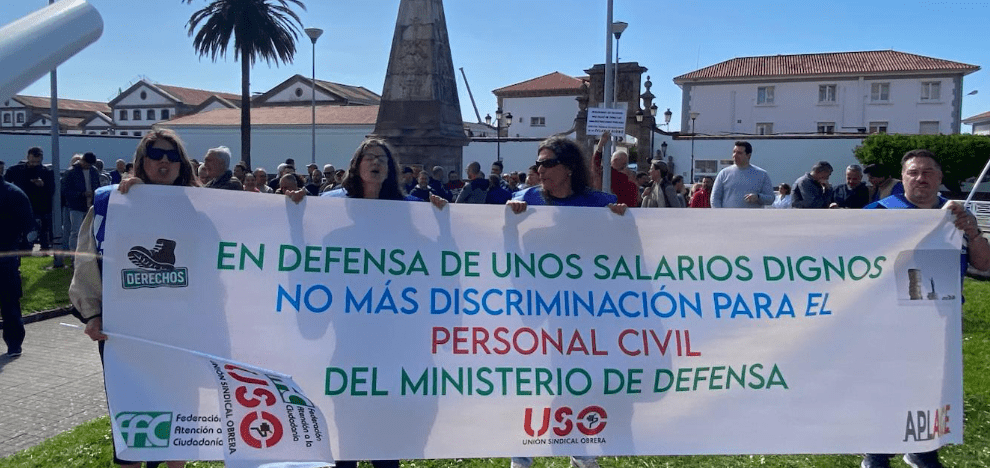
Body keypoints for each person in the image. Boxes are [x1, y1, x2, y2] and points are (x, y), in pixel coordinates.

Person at [69, 128, 196, 468]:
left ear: (182, 164)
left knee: (178, 416)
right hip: (125, 332)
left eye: (172, 155)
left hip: (181, 332)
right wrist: (92, 314)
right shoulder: (110, 202)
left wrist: (296, 208)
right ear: (142, 160)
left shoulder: (199, 206)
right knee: (132, 420)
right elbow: (87, 261)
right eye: (156, 154)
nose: (164, 161)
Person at [861, 149, 990, 468]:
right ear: (902, 178)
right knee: (884, 383)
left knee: (931, 386)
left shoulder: (956, 215)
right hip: (887, 317)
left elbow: (984, 263)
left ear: (940, 177)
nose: (921, 178)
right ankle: (877, 450)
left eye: (928, 172)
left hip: (939, 318)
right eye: (913, 172)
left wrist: (973, 232)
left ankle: (922, 448)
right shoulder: (878, 212)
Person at [507, 135, 623, 468]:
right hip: (535, 310)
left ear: (569, 168)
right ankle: (521, 454)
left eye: (547, 163)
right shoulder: (525, 199)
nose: (539, 170)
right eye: (538, 164)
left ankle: (580, 450)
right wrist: (509, 219)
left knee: (579, 380)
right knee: (533, 381)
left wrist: (621, 220)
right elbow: (500, 239)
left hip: (583, 310)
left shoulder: (600, 203)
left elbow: (621, 250)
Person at [1, 177, 34, 357]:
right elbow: (28, 224)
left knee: (10, 300)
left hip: (7, 254)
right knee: (10, 301)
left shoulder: (13, 193)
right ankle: (14, 344)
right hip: (7, 254)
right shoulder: (14, 193)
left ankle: (14, 343)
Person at [6, 146, 55, 252]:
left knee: (42, 230)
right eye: (33, 161)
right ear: (28, 157)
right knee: (22, 230)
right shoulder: (16, 170)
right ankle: (25, 248)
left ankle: (43, 249)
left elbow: (52, 190)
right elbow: (6, 185)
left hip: (40, 206)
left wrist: (43, 185)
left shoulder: (47, 172)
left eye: (37, 162)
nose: (34, 164)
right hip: (21, 205)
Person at [710, 141, 774, 208]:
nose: (735, 155)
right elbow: (715, 198)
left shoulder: (762, 174)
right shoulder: (723, 174)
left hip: (752, 214)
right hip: (728, 214)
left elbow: (771, 198)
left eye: (739, 153)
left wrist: (758, 197)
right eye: (734, 152)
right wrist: (719, 212)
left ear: (748, 156)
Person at [63, 152, 102, 251]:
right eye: (87, 164)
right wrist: (82, 194)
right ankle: (74, 252)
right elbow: (66, 191)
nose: (88, 166)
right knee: (75, 231)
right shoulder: (71, 172)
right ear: (82, 160)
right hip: (76, 206)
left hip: (90, 205)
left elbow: (97, 186)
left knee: (90, 231)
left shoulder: (94, 171)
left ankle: (87, 250)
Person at [591, 131, 639, 207]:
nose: (624, 166)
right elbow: (596, 165)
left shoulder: (628, 180)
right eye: (623, 163)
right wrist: (600, 145)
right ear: (615, 160)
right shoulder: (607, 173)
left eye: (625, 164)